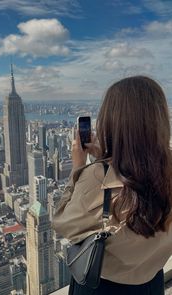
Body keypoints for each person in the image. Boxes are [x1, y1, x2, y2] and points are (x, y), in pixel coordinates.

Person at [52, 76, 172, 295]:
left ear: (111, 122)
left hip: (102, 287)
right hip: (151, 284)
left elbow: (63, 223)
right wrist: (107, 160)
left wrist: (79, 168)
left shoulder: (96, 177)